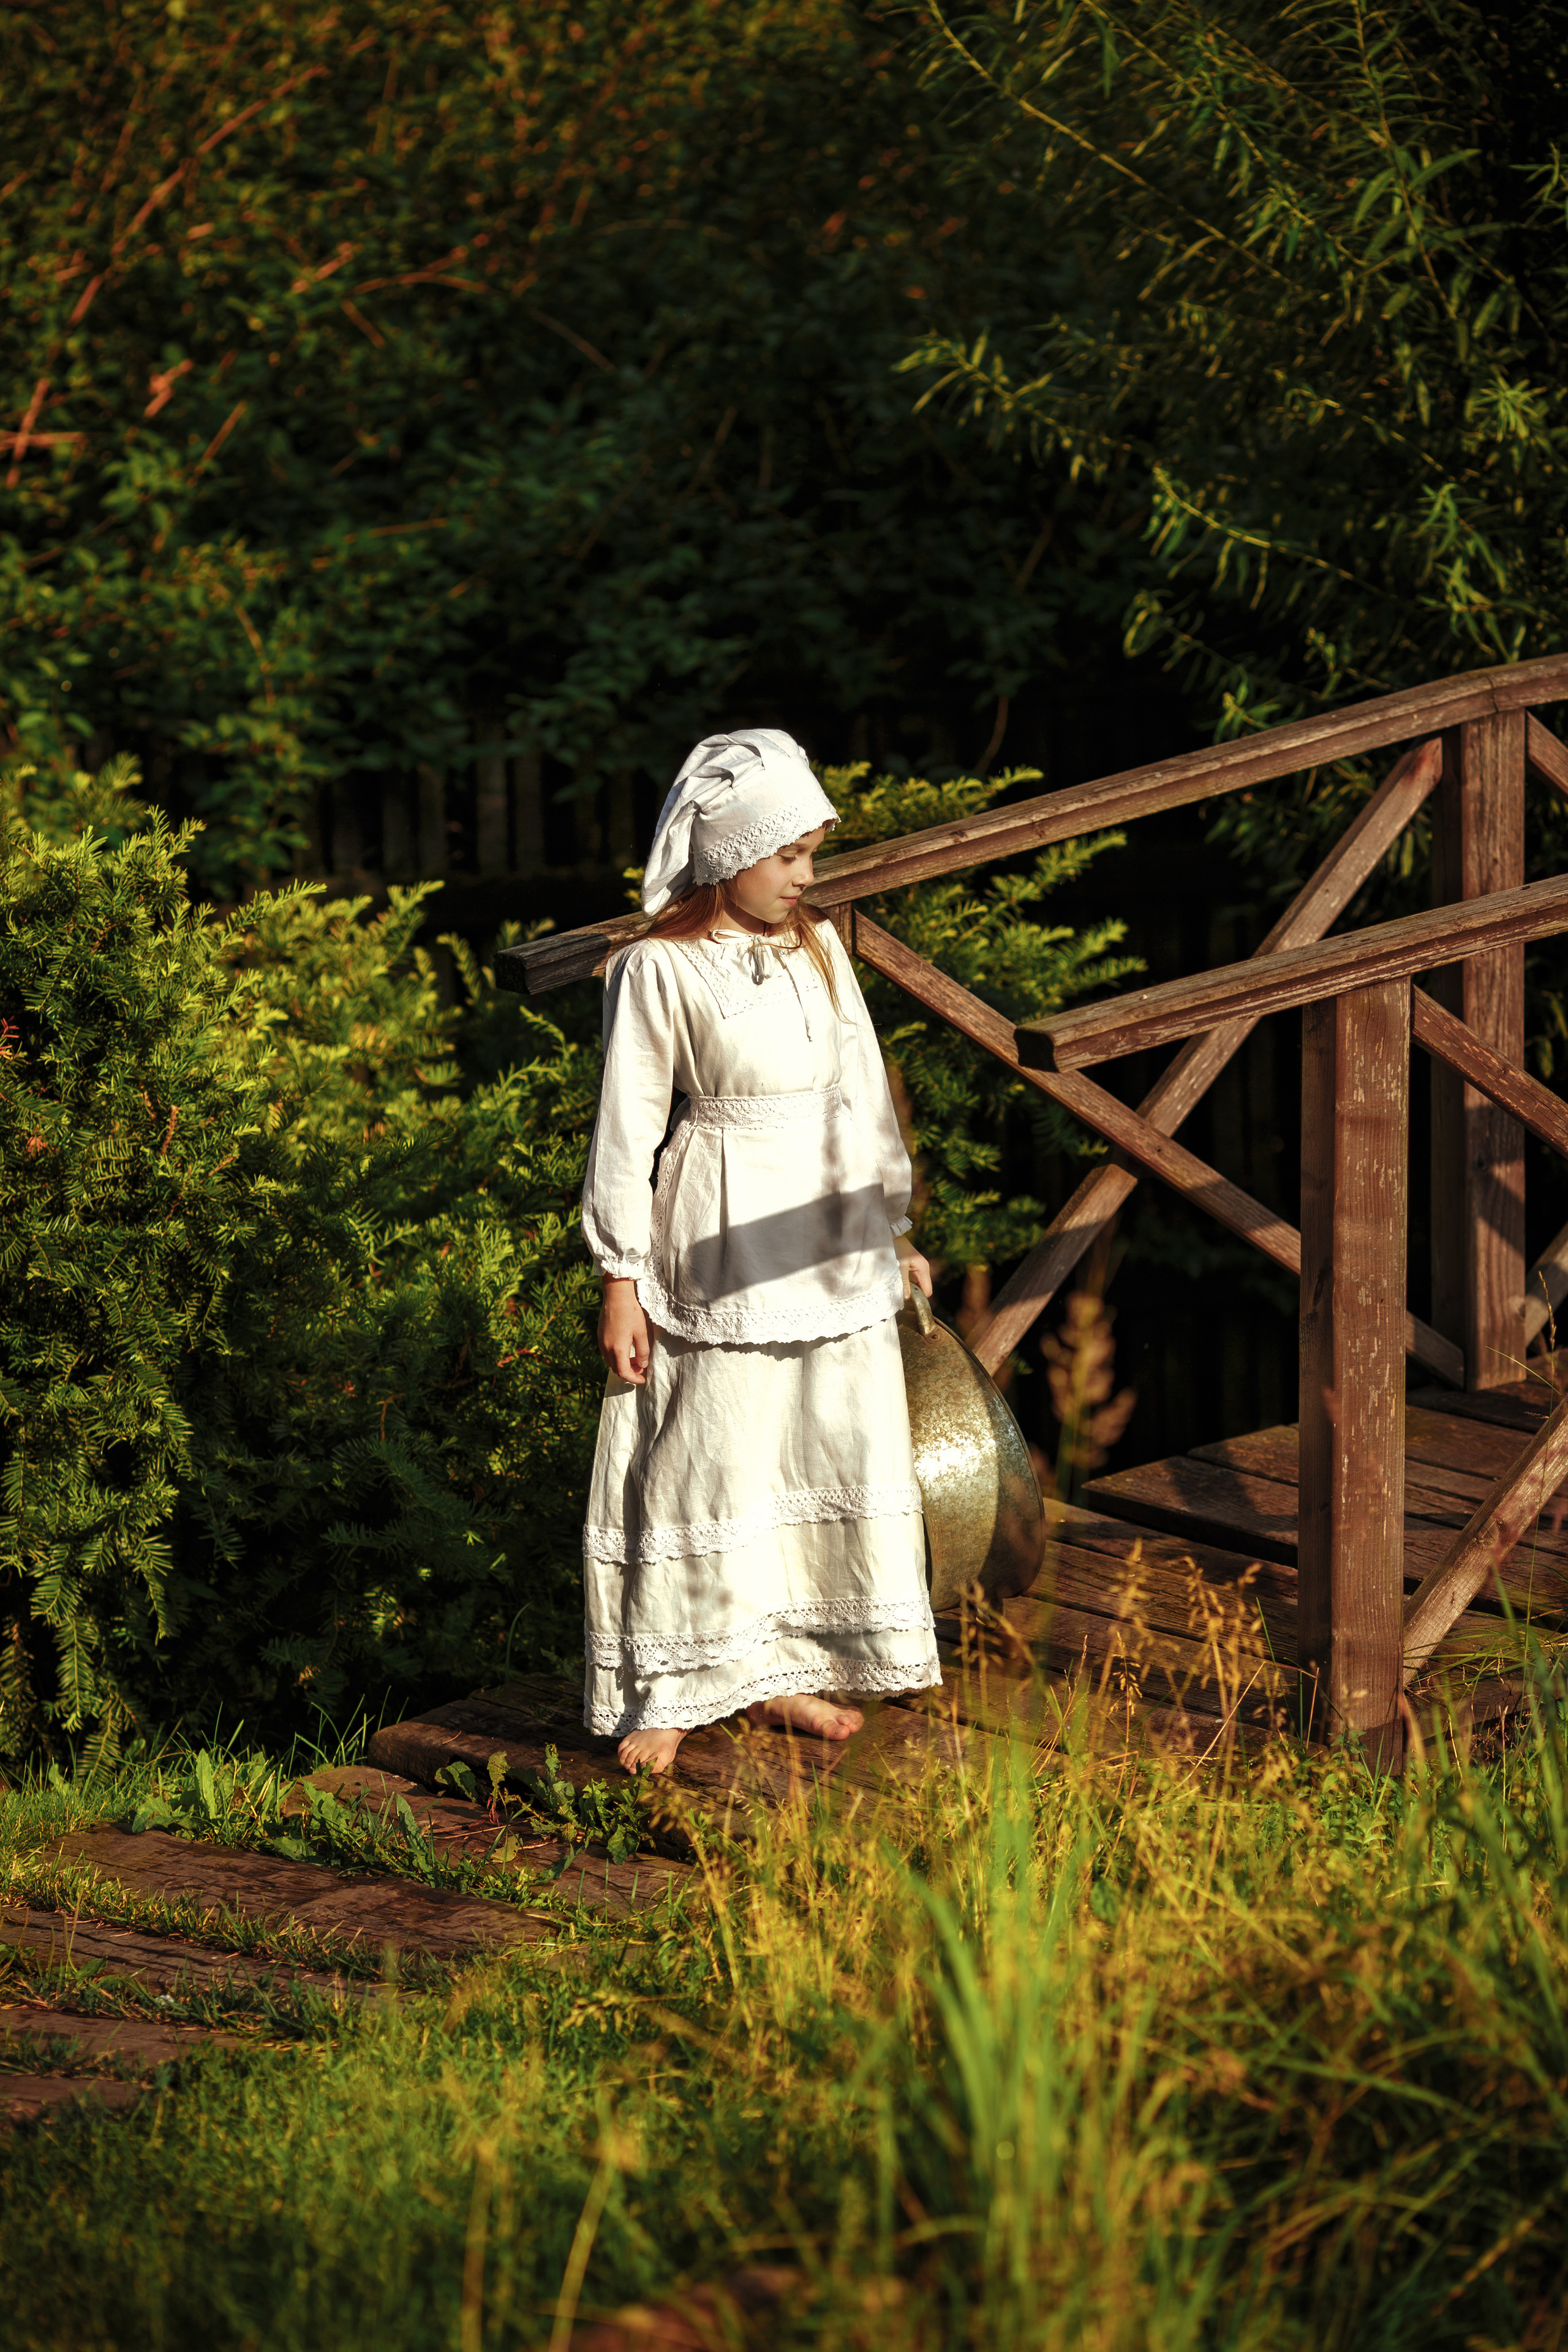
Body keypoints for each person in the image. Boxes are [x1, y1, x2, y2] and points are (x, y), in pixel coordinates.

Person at [580, 728, 942, 1773]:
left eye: (811, 857)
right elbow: (627, 1127)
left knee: (822, 1434)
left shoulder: (818, 948)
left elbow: (861, 1092)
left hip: (830, 1228)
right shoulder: (656, 968)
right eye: (789, 856)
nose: (805, 878)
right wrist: (621, 1279)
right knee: (713, 1452)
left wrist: (895, 1228)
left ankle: (784, 1669)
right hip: (717, 1228)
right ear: (731, 851)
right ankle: (682, 1681)